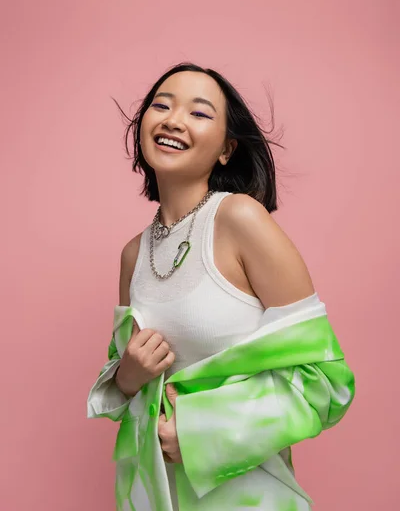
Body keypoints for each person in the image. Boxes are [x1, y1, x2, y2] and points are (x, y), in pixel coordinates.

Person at [87, 62, 355, 510]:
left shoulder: (240, 219)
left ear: (227, 149)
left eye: (199, 113)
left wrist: (198, 432)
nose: (173, 120)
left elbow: (327, 383)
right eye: (161, 105)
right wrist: (129, 378)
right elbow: (128, 380)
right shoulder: (133, 254)